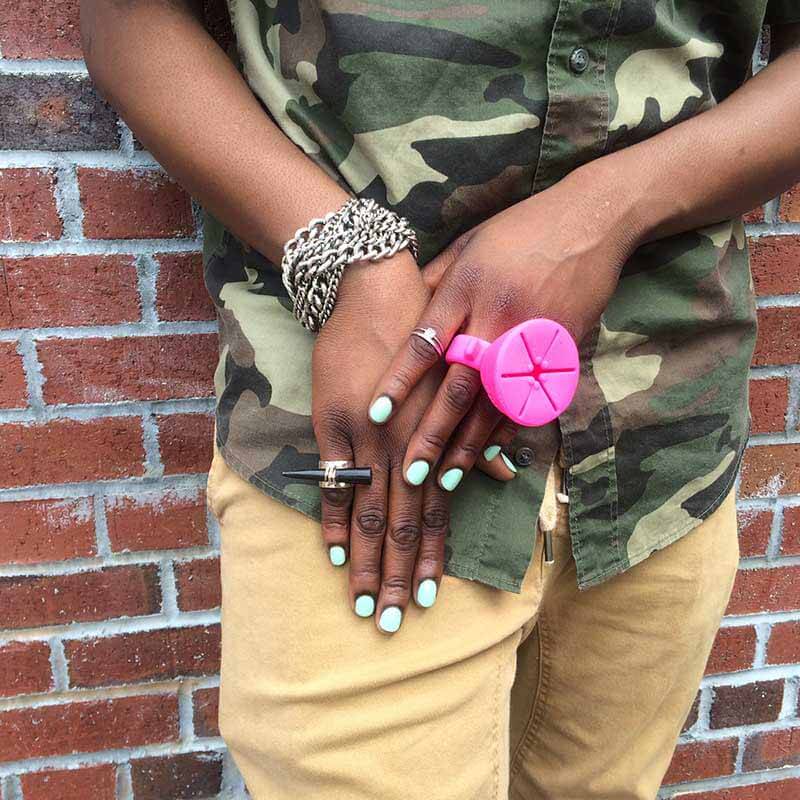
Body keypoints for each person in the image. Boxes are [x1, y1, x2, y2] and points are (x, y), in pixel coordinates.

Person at [81, 2, 800, 797]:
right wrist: (350, 261)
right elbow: (126, 19)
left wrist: (606, 213)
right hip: (362, 440)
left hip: (664, 453)